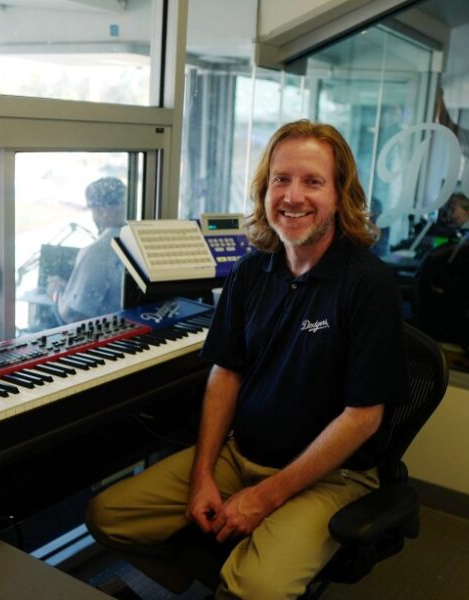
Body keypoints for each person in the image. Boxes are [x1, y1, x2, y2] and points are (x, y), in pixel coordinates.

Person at [85, 120, 410, 599]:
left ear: (340, 196)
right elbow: (226, 372)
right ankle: (201, 581)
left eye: (313, 181)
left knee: (254, 587)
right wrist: (202, 475)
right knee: (108, 516)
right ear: (264, 190)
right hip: (241, 456)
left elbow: (363, 418)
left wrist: (265, 497)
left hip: (329, 477)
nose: (292, 196)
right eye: (281, 180)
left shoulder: (370, 285)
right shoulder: (251, 271)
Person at [50, 177, 128, 323]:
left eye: (93, 210)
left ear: (102, 211)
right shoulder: (137, 238)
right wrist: (69, 289)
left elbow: (74, 315)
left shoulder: (97, 252)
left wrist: (56, 293)